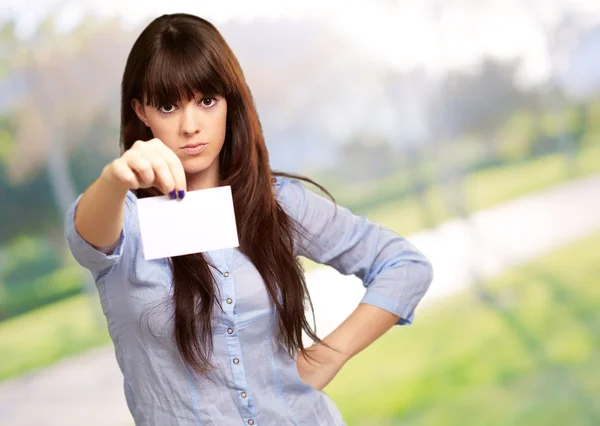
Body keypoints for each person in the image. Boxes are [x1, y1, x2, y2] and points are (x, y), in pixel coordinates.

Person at [65, 13, 433, 426]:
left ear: (230, 102)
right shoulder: (123, 222)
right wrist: (116, 177)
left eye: (207, 101)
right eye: (168, 106)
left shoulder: (276, 204)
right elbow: (85, 240)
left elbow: (405, 266)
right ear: (142, 112)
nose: (190, 126)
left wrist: (328, 355)